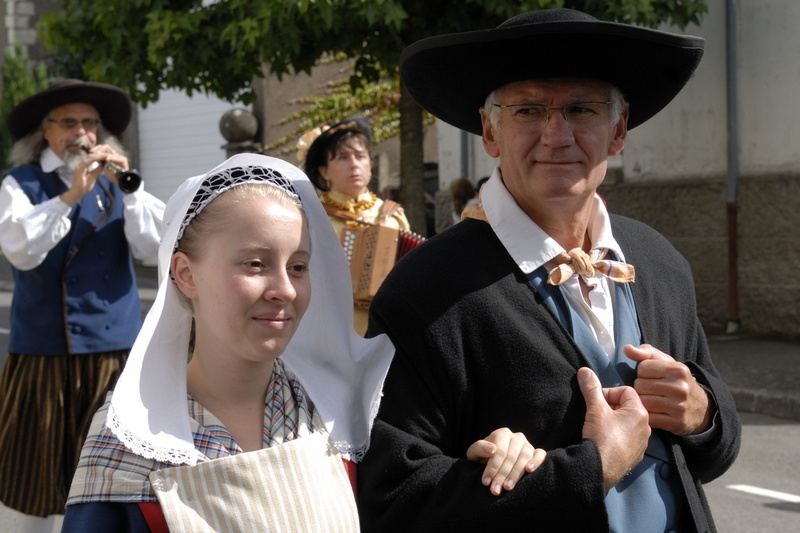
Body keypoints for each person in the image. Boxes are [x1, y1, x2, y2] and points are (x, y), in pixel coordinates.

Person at [358, 8, 741, 532]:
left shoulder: (657, 261)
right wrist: (588, 469)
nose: (556, 135)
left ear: (618, 129)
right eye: (528, 110)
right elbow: (394, 503)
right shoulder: (424, 293)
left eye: (582, 109)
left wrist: (701, 414)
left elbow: (713, 453)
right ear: (489, 132)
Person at [61, 154, 546, 532]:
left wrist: (494, 453)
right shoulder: (130, 442)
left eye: (298, 266)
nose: (285, 289)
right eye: (254, 264)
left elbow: (419, 511)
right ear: (185, 274)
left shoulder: (344, 413)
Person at [0, 78, 164, 530]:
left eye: (89, 123)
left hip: (115, 351)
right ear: (45, 131)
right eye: (69, 122)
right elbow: (20, 248)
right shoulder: (21, 183)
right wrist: (71, 193)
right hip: (45, 355)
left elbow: (155, 247)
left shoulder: (119, 185)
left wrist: (130, 190)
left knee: (120, 474)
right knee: (33, 477)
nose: (81, 132)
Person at [301, 117, 411, 335]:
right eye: (342, 158)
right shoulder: (312, 218)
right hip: (333, 329)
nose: (354, 164)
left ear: (370, 163)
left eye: (360, 156)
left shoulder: (391, 213)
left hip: (389, 327)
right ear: (324, 172)